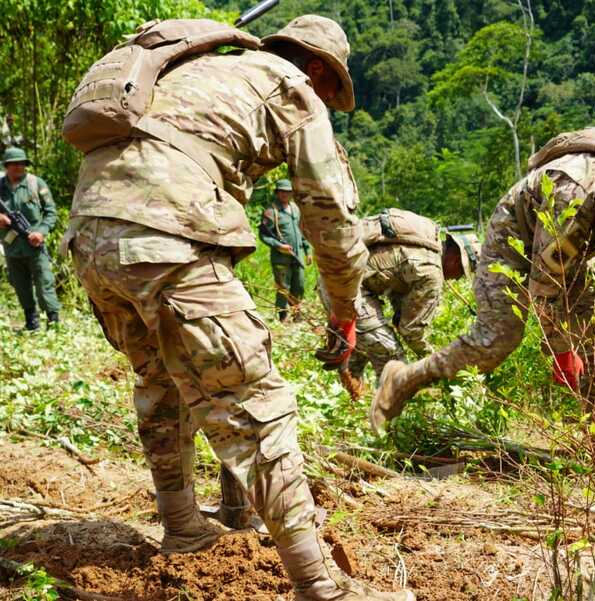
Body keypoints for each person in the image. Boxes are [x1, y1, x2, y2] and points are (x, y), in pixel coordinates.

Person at [63, 14, 412, 601]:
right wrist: (345, 310)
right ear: (320, 69)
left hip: (91, 239)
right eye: (333, 89)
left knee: (162, 383)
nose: (328, 100)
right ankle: (320, 587)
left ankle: (182, 529)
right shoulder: (292, 88)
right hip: (164, 236)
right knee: (255, 401)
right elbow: (330, 219)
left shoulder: (200, 70)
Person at [370, 128, 595, 433]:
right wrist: (560, 349)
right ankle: (403, 380)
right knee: (497, 338)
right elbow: (545, 284)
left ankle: (593, 441)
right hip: (515, 235)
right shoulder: (571, 194)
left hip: (572, 251)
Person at [322, 210, 480, 382]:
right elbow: (411, 330)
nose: (457, 278)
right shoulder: (431, 274)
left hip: (335, 278)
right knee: (393, 358)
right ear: (455, 260)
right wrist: (435, 362)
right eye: (461, 273)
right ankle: (387, 405)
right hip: (346, 288)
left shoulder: (424, 244)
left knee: (367, 345)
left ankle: (351, 398)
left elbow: (394, 286)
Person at [0, 146, 61, 330]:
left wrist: (41, 232)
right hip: (11, 246)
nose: (19, 167)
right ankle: (31, 322)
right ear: (6, 166)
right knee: (20, 285)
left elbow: (51, 213)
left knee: (44, 283)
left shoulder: (36, 183)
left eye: (22, 164)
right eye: (14, 164)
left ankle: (53, 322)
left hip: (34, 243)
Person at [260, 179, 311, 322]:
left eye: (288, 192)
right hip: (281, 257)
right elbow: (263, 235)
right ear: (277, 193)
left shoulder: (295, 209)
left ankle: (297, 313)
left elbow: (302, 231)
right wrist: (279, 246)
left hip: (297, 255)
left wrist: (307, 251)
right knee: (283, 287)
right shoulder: (271, 212)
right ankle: (282, 316)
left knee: (299, 285)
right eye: (282, 191)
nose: (285, 194)